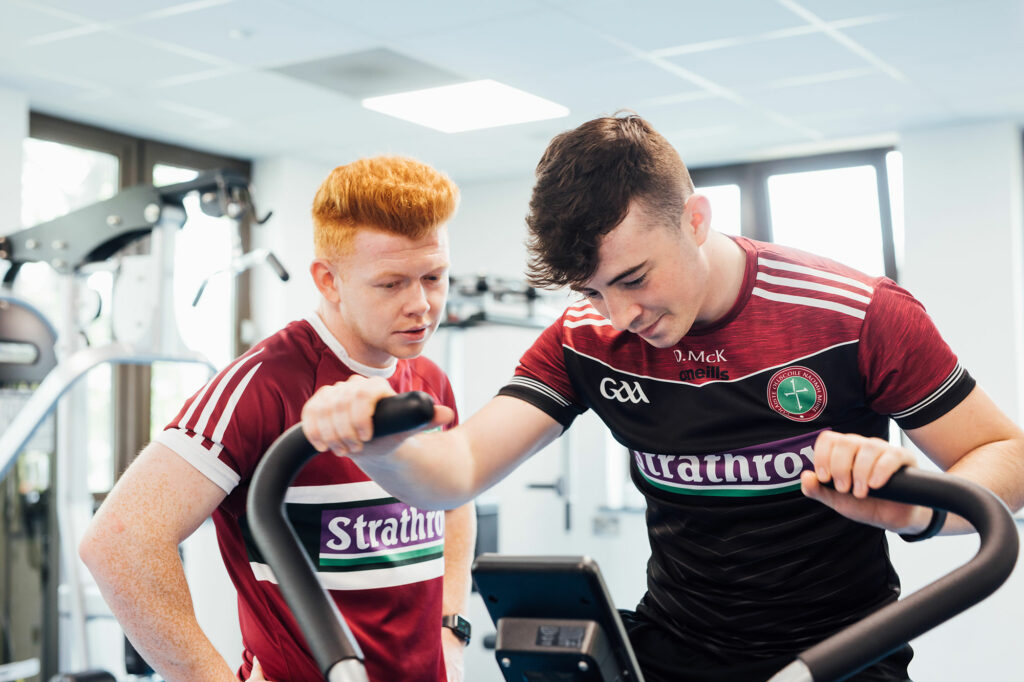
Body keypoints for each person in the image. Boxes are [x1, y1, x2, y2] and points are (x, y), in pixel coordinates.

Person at [299, 114, 1024, 682]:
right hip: (674, 651)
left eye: (635, 277)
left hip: (845, 654)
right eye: (592, 291)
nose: (618, 316)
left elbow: (1007, 459)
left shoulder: (853, 315)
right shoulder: (586, 337)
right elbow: (455, 473)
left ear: (696, 221)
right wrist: (379, 445)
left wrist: (916, 506)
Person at [79, 156, 475, 682]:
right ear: (328, 280)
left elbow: (455, 502)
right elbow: (119, 542)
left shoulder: (428, 379)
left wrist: (451, 627)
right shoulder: (263, 386)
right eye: (391, 284)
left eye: (433, 277)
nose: (421, 304)